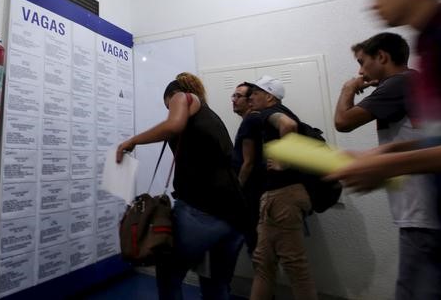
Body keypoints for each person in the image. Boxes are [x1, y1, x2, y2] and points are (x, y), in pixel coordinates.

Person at [328, 0, 441, 297]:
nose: (372, 2)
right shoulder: (432, 44)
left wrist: (394, 163)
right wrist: (386, 155)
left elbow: (343, 122)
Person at [116, 72, 246, 300]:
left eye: (168, 106)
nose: (171, 110)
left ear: (170, 97)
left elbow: (173, 125)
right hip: (235, 215)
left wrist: (133, 141)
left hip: (202, 209)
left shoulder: (183, 97)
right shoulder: (209, 117)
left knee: (168, 274)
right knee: (216, 284)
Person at [333, 32, 440, 299]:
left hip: (420, 208)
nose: (360, 72)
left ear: (381, 57)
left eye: (362, 62)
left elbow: (343, 122)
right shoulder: (413, 80)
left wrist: (348, 88)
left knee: (413, 291)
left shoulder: (397, 84)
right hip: (430, 203)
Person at [246, 75, 317, 300]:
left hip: (282, 197)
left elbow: (289, 126)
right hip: (280, 198)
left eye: (255, 93)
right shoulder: (279, 112)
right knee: (263, 263)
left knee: (295, 267)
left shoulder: (270, 113)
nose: (251, 97)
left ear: (269, 96)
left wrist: (283, 160)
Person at [230, 82, 266, 255]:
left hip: (251, 193)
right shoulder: (252, 120)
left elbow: (248, 162)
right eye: (233, 96)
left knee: (254, 242)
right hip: (253, 192)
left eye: (238, 96)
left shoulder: (251, 120)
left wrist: (237, 190)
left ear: (250, 101)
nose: (234, 99)